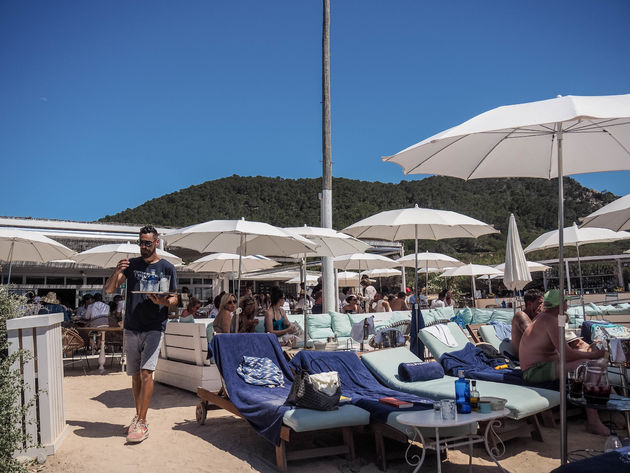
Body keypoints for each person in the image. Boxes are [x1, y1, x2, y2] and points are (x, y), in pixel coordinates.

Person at [104, 224, 178, 444]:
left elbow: (174, 300)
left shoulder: (167, 267)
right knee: (135, 375)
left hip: (155, 325)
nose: (144, 246)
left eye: (148, 243)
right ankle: (138, 417)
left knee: (147, 373)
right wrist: (117, 271)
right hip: (132, 325)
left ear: (156, 243)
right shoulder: (131, 265)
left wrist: (163, 301)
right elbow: (109, 290)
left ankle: (142, 421)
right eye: (141, 242)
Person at [519, 289, 609, 435]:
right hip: (535, 370)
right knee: (590, 365)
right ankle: (593, 422)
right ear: (560, 304)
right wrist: (595, 354)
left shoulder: (549, 317)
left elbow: (564, 338)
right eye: (565, 301)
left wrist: (588, 352)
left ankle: (609, 410)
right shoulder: (550, 320)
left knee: (593, 362)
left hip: (546, 363)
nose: (567, 303)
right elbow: (567, 355)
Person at [511, 289, 544, 359]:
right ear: (529, 304)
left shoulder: (535, 317)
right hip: (524, 360)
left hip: (536, 357)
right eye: (539, 303)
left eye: (543, 303)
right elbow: (533, 337)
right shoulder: (520, 315)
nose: (542, 306)